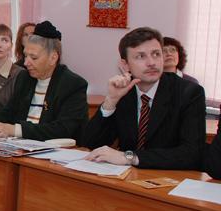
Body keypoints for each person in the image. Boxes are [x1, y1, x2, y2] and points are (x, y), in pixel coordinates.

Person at [83, 27, 206, 170]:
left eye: (156, 54)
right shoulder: (124, 92)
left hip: (169, 178)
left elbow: (192, 153)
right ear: (125, 65)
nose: (151, 62)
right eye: (141, 56)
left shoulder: (189, 92)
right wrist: (111, 101)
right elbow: (91, 143)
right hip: (125, 178)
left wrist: (130, 157)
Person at [0, 21, 88, 141]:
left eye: (33, 57)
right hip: (20, 146)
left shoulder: (73, 84)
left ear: (53, 58)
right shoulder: (25, 77)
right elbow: (9, 112)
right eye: (25, 56)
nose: (26, 63)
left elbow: (63, 129)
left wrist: (14, 130)